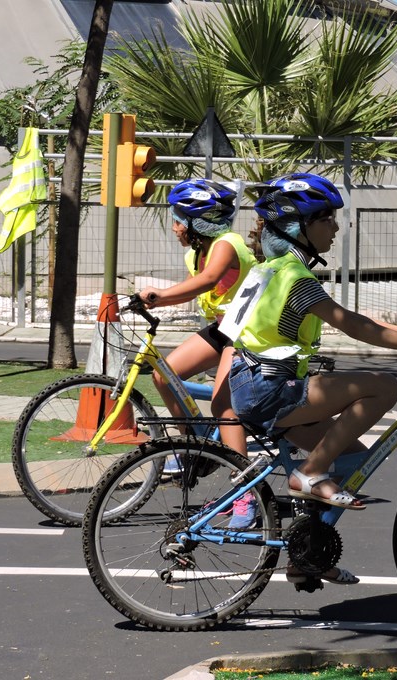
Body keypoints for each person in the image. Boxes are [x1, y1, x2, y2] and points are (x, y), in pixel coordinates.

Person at [224, 173, 397, 584]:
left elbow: (347, 317)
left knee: (351, 459)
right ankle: (309, 473)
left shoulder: (271, 270)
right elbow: (352, 325)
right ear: (300, 227)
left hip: (254, 385)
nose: (335, 226)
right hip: (271, 389)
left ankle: (306, 556)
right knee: (383, 387)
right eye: (326, 218)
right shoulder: (296, 278)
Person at [137, 178, 258, 528]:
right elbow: (195, 289)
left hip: (247, 332)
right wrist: (155, 301)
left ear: (196, 224)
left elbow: (209, 280)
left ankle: (246, 496)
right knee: (164, 375)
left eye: (178, 220)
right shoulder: (196, 252)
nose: (175, 227)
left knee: (224, 406)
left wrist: (160, 294)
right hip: (224, 329)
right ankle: (193, 446)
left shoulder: (227, 243)